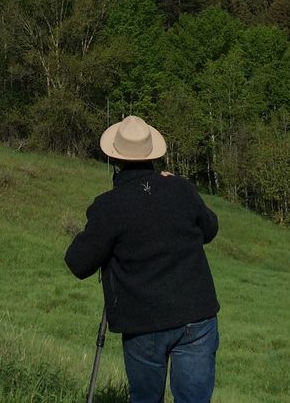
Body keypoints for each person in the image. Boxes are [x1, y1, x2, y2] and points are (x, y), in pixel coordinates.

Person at [64, 115, 220, 403]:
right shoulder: (180, 188)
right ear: (153, 155)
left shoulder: (109, 206)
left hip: (143, 322)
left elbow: (78, 262)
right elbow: (209, 229)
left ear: (115, 159)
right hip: (196, 314)